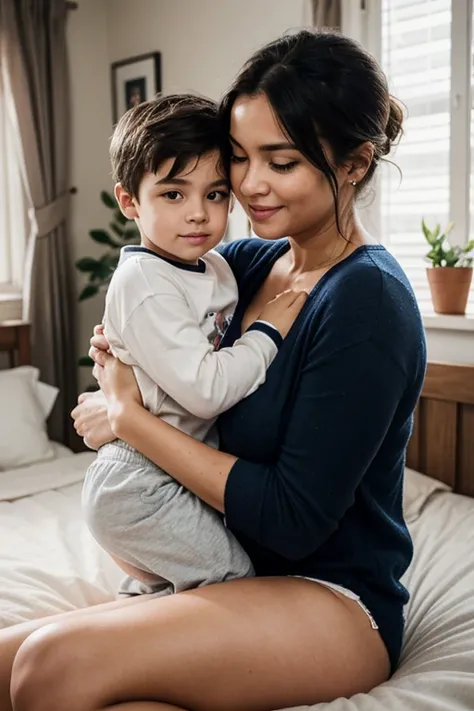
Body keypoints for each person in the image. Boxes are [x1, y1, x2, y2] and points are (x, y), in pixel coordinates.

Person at [2, 28, 426, 711]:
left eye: (280, 161)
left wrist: (131, 421)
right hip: (239, 562)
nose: (248, 185)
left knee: (51, 667)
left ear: (354, 163)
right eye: (240, 158)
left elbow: (293, 520)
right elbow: (166, 370)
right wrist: (118, 396)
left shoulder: (367, 299)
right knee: (7, 662)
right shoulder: (252, 263)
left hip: (329, 594)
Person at [82, 93, 305, 597]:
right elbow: (205, 392)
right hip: (140, 481)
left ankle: (132, 617)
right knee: (232, 582)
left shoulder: (215, 266)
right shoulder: (144, 282)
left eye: (217, 194)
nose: (199, 215)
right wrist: (267, 332)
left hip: (173, 468)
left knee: (186, 583)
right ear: (129, 201)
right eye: (174, 195)